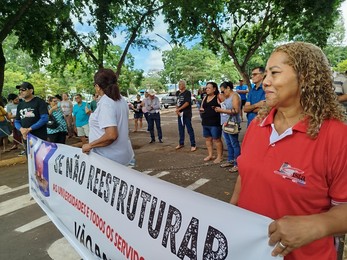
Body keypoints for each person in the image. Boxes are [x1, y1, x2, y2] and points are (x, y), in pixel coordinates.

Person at [230, 42, 347, 260]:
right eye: (266, 74)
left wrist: (317, 225)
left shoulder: (337, 136)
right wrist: (230, 213)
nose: (265, 82)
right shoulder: (258, 125)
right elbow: (244, 175)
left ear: (305, 78)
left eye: (274, 73)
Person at [82, 68, 134, 165]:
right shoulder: (120, 99)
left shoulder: (106, 103)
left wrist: (90, 145)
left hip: (110, 160)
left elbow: (111, 135)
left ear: (97, 86)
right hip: (123, 155)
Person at [14, 82, 49, 154]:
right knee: (29, 158)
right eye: (20, 90)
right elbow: (17, 121)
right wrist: (21, 129)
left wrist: (30, 129)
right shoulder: (20, 105)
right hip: (26, 137)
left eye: (23, 90)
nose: (21, 92)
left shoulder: (39, 102)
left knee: (41, 158)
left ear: (31, 91)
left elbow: (44, 118)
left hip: (39, 137)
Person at [215, 81, 241, 172]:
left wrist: (221, 110)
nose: (222, 93)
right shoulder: (227, 97)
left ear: (228, 88)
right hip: (225, 123)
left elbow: (236, 110)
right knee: (229, 143)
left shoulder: (235, 96)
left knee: (234, 144)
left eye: (223, 91)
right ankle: (230, 161)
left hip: (232, 123)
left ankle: (237, 164)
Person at [200, 82, 223, 163]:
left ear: (214, 89)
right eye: (206, 88)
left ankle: (219, 156)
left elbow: (224, 106)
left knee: (217, 139)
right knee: (208, 139)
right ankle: (210, 155)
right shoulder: (205, 97)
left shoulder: (218, 96)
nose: (207, 89)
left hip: (215, 123)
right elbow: (202, 107)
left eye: (209, 88)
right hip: (205, 122)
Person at [175, 80, 196, 152]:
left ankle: (193, 144)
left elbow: (187, 103)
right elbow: (177, 102)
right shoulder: (178, 93)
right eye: (179, 84)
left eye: (180, 84)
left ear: (184, 85)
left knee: (189, 129)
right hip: (179, 114)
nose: (179, 85)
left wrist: (180, 109)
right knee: (180, 129)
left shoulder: (187, 92)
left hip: (186, 113)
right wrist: (177, 109)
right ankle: (181, 143)